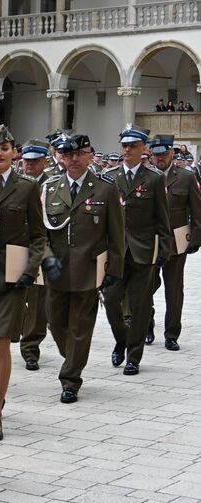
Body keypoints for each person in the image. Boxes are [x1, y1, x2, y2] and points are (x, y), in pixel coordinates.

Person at [0, 125, 45, 443]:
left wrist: (30, 270)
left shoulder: (27, 188)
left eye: (5, 148)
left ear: (13, 153)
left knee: (1, 339)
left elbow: (40, 236)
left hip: (12, 278)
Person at [42, 135, 125, 403]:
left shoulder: (105, 188)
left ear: (90, 155)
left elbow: (116, 233)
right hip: (56, 271)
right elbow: (40, 232)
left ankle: (70, 380)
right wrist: (45, 258)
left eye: (80, 154)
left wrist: (115, 268)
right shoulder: (50, 188)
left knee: (80, 327)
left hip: (89, 271)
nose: (74, 159)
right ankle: (75, 357)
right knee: (55, 324)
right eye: (68, 155)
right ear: (61, 157)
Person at [102, 126, 172, 375]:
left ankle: (133, 356)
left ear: (144, 149)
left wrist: (164, 251)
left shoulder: (154, 179)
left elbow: (163, 219)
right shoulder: (109, 177)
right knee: (110, 300)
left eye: (133, 146)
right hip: (116, 253)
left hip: (143, 252)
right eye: (125, 146)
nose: (128, 150)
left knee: (141, 307)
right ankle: (122, 340)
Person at [148, 136, 201, 351]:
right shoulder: (145, 176)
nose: (160, 157)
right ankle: (146, 326)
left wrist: (196, 239)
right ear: (151, 155)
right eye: (156, 154)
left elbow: (197, 211)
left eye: (164, 153)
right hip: (148, 242)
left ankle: (171, 333)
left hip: (176, 242)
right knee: (144, 288)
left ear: (172, 153)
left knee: (174, 289)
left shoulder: (186, 177)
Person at [18, 141, 52, 370]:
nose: (29, 164)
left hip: (41, 248)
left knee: (38, 301)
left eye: (35, 161)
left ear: (44, 162)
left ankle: (31, 348)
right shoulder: (16, 184)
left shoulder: (52, 185)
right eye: (26, 160)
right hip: (17, 247)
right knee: (15, 297)